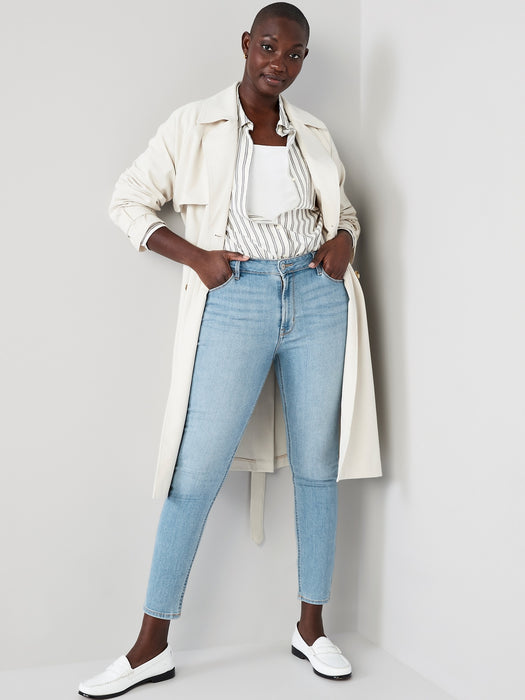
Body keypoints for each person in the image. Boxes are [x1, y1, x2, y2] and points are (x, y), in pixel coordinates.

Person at [78, 3, 381, 697]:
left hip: (317, 298)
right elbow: (128, 201)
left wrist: (344, 240)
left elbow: (342, 209)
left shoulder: (313, 132)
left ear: (303, 61)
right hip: (236, 297)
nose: (279, 63)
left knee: (316, 465)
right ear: (246, 44)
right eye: (269, 47)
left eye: (293, 54)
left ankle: (310, 629)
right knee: (196, 470)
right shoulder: (194, 124)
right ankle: (149, 646)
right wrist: (197, 258)